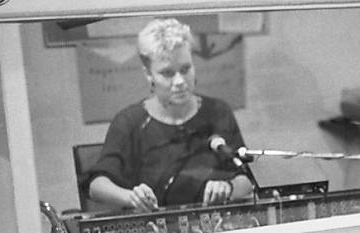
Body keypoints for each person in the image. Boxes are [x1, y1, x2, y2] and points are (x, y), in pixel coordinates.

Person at [85, 18, 253, 212]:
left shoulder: (218, 112)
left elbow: (247, 178)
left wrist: (228, 187)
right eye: (167, 73)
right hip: (153, 223)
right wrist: (132, 198)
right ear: (148, 74)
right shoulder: (129, 122)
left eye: (185, 69)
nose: (180, 81)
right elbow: (96, 186)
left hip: (215, 221)